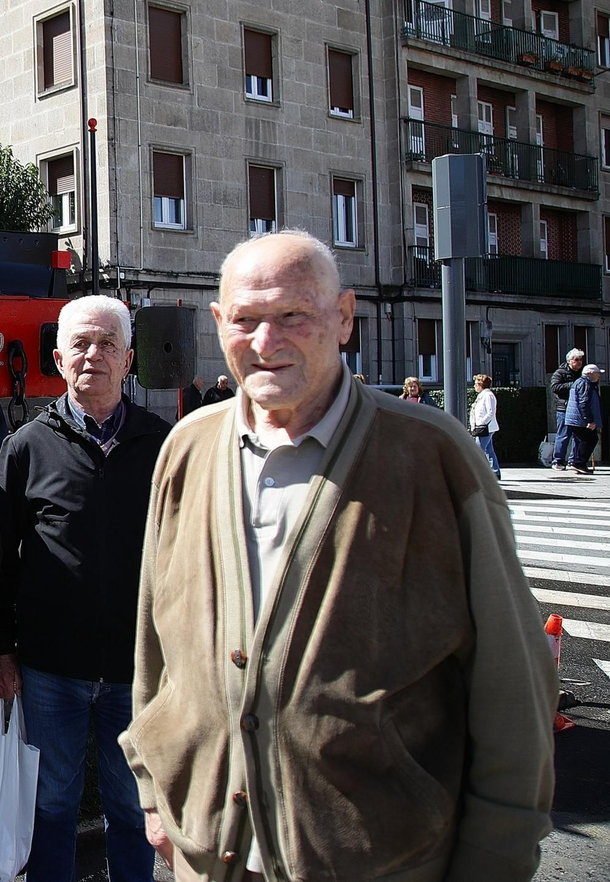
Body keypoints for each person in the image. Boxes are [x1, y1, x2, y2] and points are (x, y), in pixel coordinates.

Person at [121, 230, 556, 882]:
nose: (266, 343)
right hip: (210, 858)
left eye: (292, 316)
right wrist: (156, 791)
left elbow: (511, 685)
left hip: (382, 863)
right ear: (218, 324)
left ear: (344, 317)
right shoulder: (187, 447)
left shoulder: (431, 454)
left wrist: (497, 855)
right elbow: (156, 641)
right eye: (245, 320)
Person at [0, 296, 172, 882]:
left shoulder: (163, 446)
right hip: (50, 672)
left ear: (129, 359)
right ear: (60, 359)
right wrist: (1, 647)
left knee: (131, 806)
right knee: (53, 806)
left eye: (108, 344)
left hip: (136, 671)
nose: (94, 355)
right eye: (81, 345)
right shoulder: (26, 447)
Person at [552, 349, 587, 469]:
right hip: (564, 408)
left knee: (578, 436)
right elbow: (555, 387)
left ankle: (574, 460)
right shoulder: (560, 372)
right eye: (576, 360)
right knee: (563, 434)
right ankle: (558, 460)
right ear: (569, 361)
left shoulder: (582, 373)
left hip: (578, 409)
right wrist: (573, 384)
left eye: (581, 360)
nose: (579, 362)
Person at [565, 363, 603, 475]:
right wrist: (589, 420)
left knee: (583, 440)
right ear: (590, 374)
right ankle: (578, 463)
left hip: (577, 419)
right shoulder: (584, 383)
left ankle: (577, 463)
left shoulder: (584, 383)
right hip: (579, 420)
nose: (599, 376)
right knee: (590, 439)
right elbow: (583, 402)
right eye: (597, 373)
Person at [469, 373, 501, 479]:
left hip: (486, 428)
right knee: (488, 450)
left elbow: (490, 412)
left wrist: (481, 424)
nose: (474, 386)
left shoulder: (488, 395)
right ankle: (495, 471)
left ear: (480, 384)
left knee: (478, 449)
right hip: (484, 427)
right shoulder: (482, 395)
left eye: (476, 384)